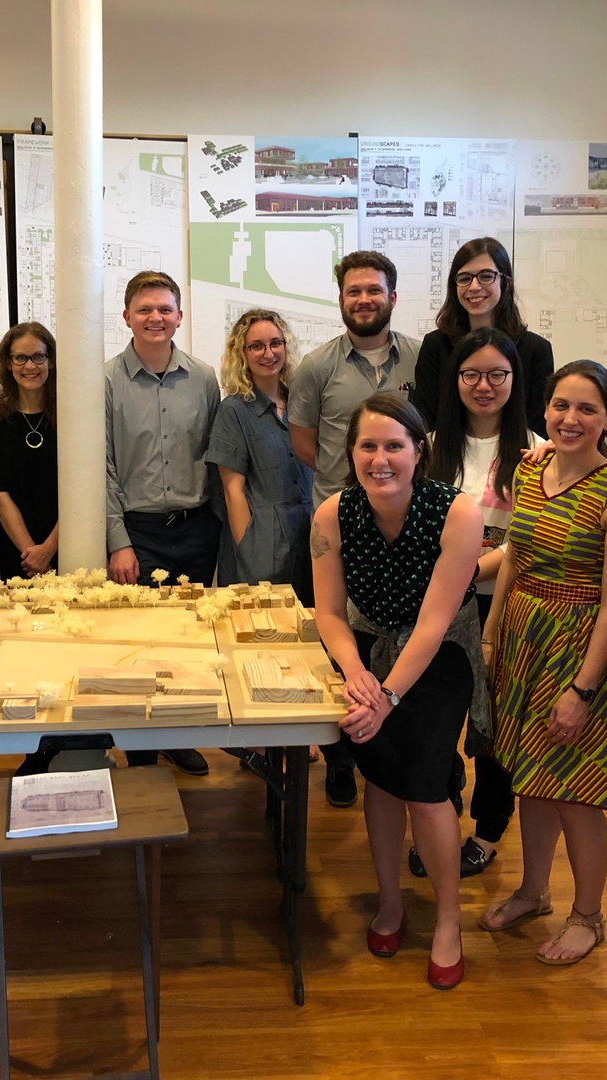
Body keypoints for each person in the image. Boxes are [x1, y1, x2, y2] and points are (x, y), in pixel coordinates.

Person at [309, 393, 486, 990]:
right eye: (367, 446)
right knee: (380, 778)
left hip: (440, 658)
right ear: (350, 452)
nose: (380, 459)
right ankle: (390, 902)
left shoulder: (458, 513)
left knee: (426, 783)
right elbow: (329, 613)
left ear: (418, 451)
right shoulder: (332, 515)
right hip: (368, 651)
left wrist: (385, 697)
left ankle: (448, 919)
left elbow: (435, 624)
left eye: (393, 446)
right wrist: (358, 676)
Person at [478, 360, 607, 966]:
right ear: (544, 412)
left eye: (587, 409)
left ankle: (589, 915)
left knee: (575, 792)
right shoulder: (533, 470)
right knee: (531, 778)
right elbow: (515, 555)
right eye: (561, 407)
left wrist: (583, 689)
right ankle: (533, 890)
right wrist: (493, 640)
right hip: (523, 635)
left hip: (577, 646)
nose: (571, 419)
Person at [405, 326, 544, 880]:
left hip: (503, 606)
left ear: (515, 380)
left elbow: (524, 538)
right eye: (470, 374)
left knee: (493, 729)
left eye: (497, 375)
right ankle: (437, 821)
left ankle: (486, 833)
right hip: (441, 606)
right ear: (454, 379)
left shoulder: (537, 451)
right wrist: (453, 577)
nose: (483, 386)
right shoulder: (431, 446)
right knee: (436, 721)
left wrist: (465, 569)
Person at [288, 250, 420, 807]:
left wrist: (390, 484)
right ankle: (342, 761)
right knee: (340, 642)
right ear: (340, 299)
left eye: (374, 290)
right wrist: (360, 488)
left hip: (412, 530)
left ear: (392, 296)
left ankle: (424, 761)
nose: (363, 299)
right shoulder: (317, 367)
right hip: (338, 528)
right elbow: (303, 439)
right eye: (353, 291)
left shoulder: (422, 358)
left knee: (411, 644)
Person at [105, 271, 220, 776]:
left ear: (179, 316)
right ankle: (142, 753)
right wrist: (117, 541)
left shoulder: (204, 377)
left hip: (196, 530)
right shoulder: (104, 381)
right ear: (126, 316)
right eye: (145, 309)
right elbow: (101, 466)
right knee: (139, 645)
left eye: (165, 309)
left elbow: (214, 458)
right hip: (139, 532)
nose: (156, 318)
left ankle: (176, 734)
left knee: (185, 642)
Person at [207, 308, 312, 599]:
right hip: (262, 545)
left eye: (275, 343)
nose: (268, 353)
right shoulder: (234, 410)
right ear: (242, 353)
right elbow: (232, 492)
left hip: (309, 538)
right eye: (257, 346)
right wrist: (249, 553)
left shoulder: (303, 404)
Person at [409, 237, 553, 439]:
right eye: (464, 278)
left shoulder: (535, 350)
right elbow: (425, 420)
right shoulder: (436, 346)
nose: (474, 287)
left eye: (486, 276)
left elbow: (539, 424)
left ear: (507, 283)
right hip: (446, 459)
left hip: (519, 460)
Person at [0, 322, 59, 577]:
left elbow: (79, 493)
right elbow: (1, 496)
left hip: (68, 542)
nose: (29, 366)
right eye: (20, 358)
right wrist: (32, 555)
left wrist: (47, 550)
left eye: (38, 357)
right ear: (8, 363)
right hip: (17, 550)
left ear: (51, 361)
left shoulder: (71, 418)